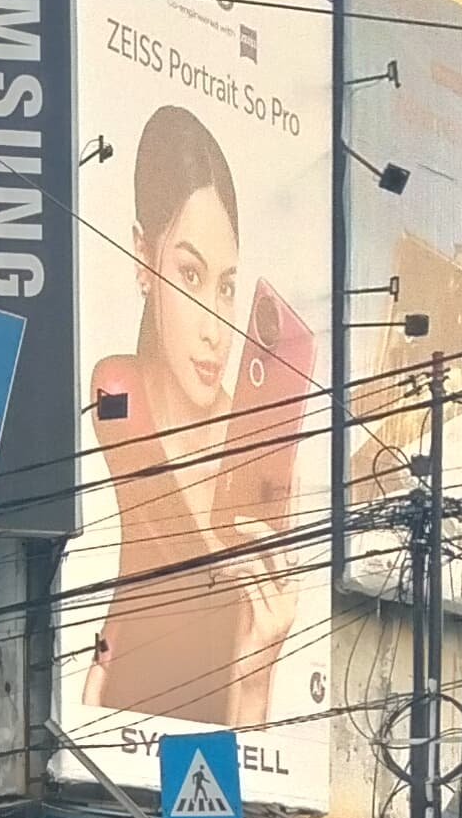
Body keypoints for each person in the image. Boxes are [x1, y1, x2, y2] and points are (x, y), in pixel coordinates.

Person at [84, 104, 314, 731]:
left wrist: (261, 659)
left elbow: (248, 691)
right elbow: (159, 556)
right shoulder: (117, 391)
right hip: (110, 716)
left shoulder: (260, 450)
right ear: (142, 256)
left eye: (227, 286)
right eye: (190, 274)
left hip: (217, 735)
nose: (216, 328)